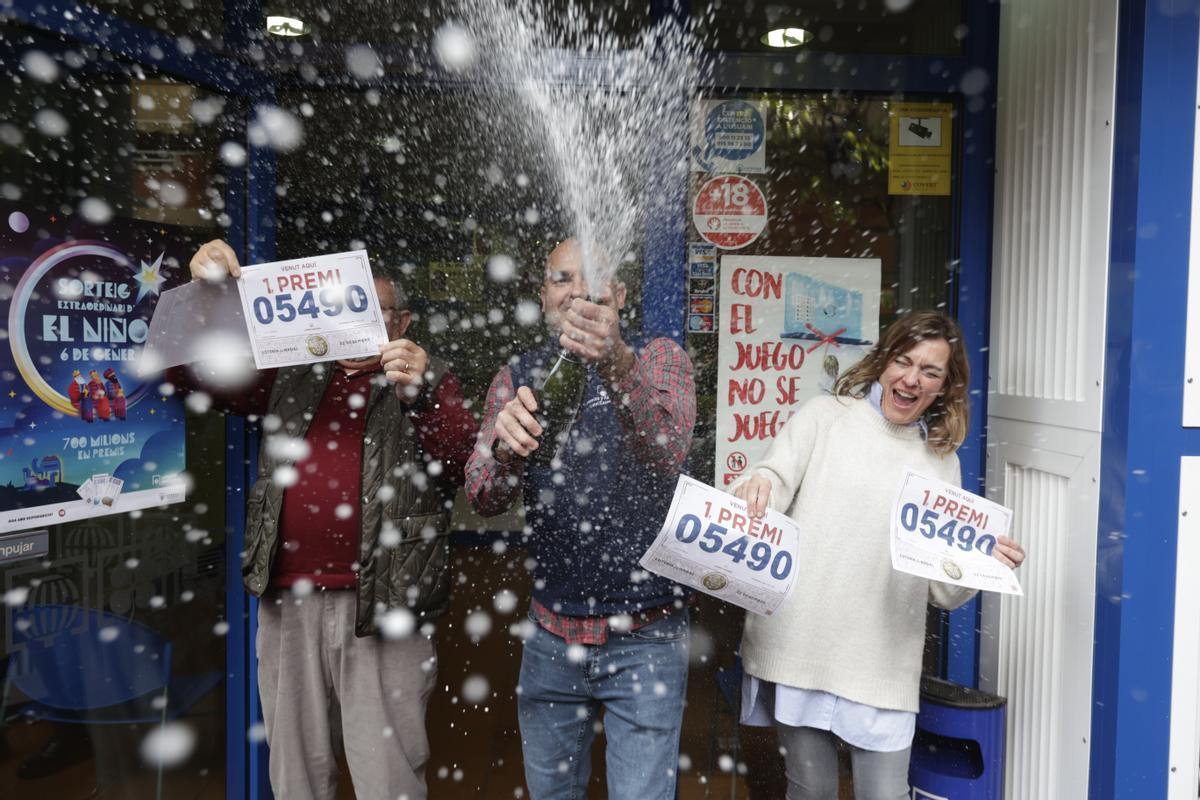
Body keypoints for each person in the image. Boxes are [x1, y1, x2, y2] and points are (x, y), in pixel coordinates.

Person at [184, 240, 479, 800]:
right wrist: (211, 300)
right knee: (295, 774)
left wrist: (422, 395)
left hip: (385, 606)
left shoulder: (428, 379)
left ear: (402, 321)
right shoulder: (288, 373)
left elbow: (465, 463)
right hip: (285, 602)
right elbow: (198, 379)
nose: (357, 323)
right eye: (345, 307)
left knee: (387, 775)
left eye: (375, 311)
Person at [731, 310, 1026, 800]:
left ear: (945, 386)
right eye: (903, 362)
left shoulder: (941, 461)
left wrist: (981, 562)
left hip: (881, 660)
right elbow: (773, 481)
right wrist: (759, 482)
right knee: (811, 791)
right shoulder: (825, 418)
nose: (911, 379)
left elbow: (943, 590)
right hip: (803, 643)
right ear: (883, 361)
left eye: (930, 371)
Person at [466, 238, 697, 800]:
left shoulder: (660, 357)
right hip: (552, 636)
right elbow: (482, 496)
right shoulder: (520, 375)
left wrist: (616, 361)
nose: (577, 294)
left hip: (646, 635)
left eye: (592, 281)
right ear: (544, 294)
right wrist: (502, 451)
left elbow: (665, 453)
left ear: (617, 295)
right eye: (562, 279)